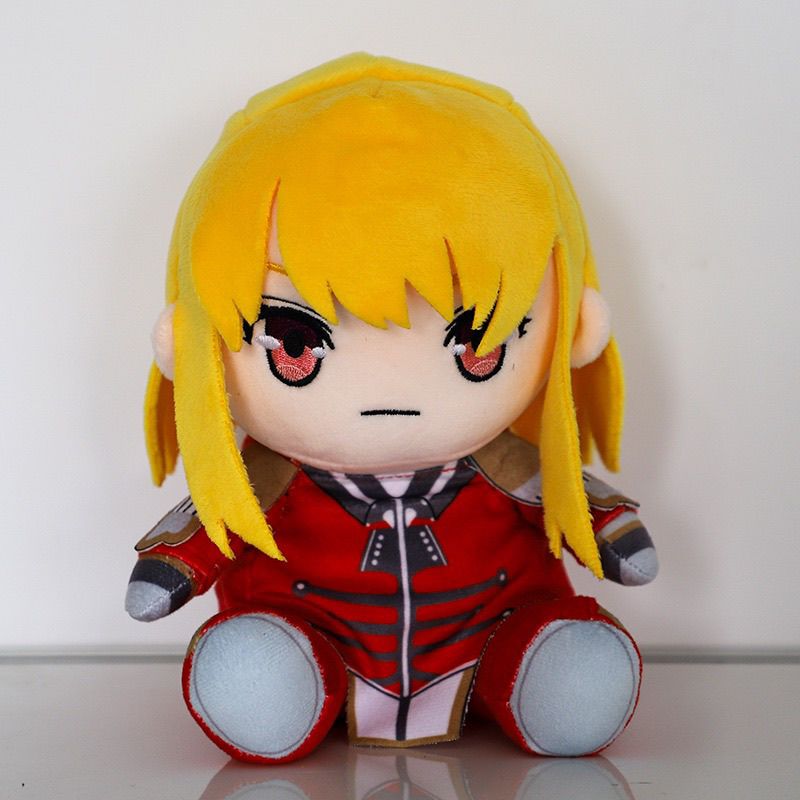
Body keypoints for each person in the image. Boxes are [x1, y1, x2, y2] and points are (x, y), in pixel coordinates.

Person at [126, 53, 658, 764]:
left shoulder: (506, 465)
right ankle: (274, 681)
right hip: (313, 640)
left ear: (576, 327)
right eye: (295, 341)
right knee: (260, 659)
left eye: (477, 341)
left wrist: (615, 532)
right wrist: (171, 566)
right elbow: (206, 530)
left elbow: (568, 497)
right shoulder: (264, 480)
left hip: (489, 639)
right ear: (185, 341)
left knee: (556, 657)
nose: (389, 387)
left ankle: (546, 677)